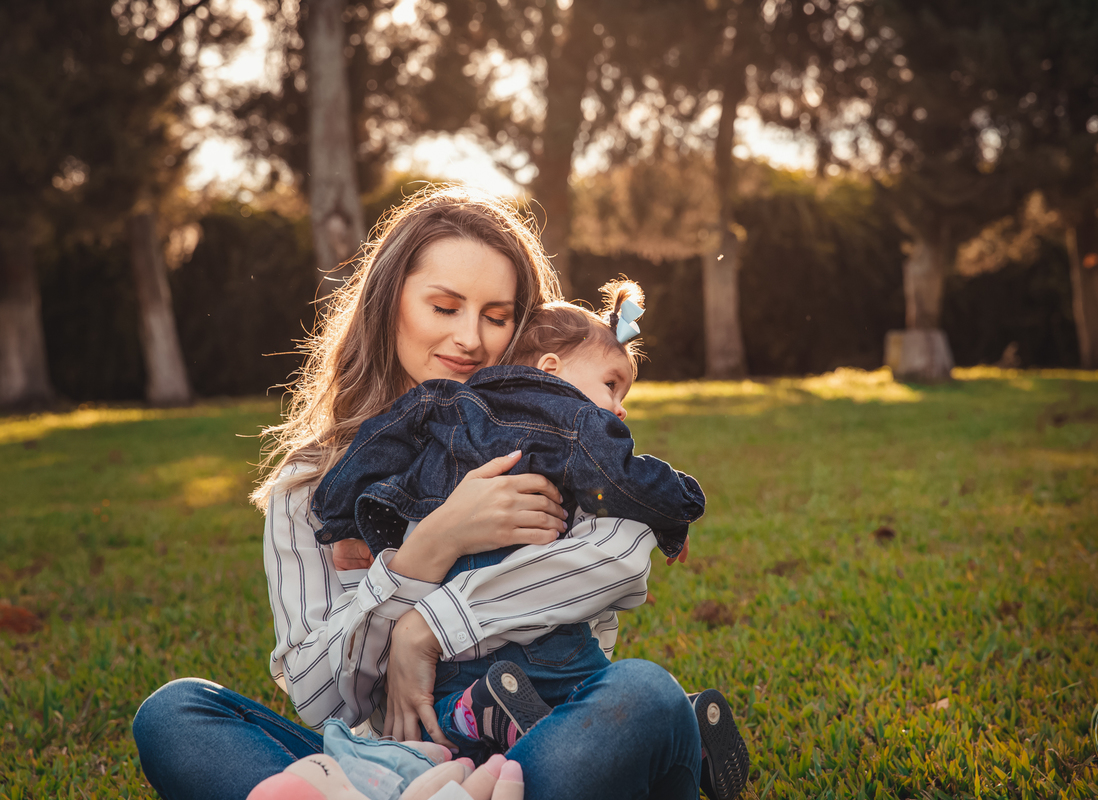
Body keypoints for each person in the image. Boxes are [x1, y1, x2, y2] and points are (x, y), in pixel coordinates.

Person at [131, 187, 709, 800]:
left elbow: (619, 563)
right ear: (390, 307)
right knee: (177, 715)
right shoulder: (312, 485)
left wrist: (429, 627)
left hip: (537, 739)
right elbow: (316, 692)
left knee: (642, 695)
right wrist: (427, 549)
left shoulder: (557, 440)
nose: (471, 339)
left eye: (496, 316)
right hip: (379, 767)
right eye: (444, 307)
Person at [307, 280, 744, 790]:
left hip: (450, 651)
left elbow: (375, 447)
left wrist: (343, 521)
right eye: (611, 385)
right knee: (597, 687)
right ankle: (678, 729)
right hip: (546, 646)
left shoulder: (444, 401)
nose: (619, 408)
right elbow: (628, 478)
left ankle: (477, 721)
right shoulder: (577, 422)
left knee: (455, 710)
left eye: (494, 317)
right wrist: (678, 511)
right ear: (552, 370)